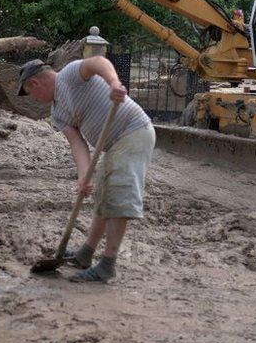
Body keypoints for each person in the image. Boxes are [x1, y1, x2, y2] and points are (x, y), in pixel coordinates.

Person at [17, 56, 154, 283]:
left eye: (30, 93)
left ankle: (107, 266)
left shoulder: (69, 75)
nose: (34, 98)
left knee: (117, 196)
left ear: (34, 83)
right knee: (102, 196)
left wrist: (113, 84)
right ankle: (85, 254)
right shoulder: (57, 112)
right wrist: (84, 175)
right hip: (114, 145)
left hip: (132, 131)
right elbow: (77, 144)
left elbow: (98, 61)